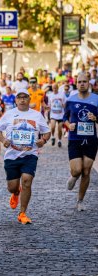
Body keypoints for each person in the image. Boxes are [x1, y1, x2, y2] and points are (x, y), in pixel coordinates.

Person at [0, 88, 50, 224]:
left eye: (25, 97)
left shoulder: (37, 115)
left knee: (26, 180)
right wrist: (3, 140)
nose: (22, 99)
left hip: (30, 154)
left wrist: (43, 141)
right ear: (16, 100)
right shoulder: (9, 114)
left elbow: (47, 131)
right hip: (12, 155)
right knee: (12, 187)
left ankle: (22, 213)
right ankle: (16, 192)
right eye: (19, 97)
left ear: (29, 99)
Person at [63, 73, 98, 211]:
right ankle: (73, 176)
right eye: (79, 82)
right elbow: (64, 117)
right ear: (76, 84)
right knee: (77, 170)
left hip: (91, 139)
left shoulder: (96, 99)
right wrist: (68, 125)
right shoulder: (71, 100)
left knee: (87, 171)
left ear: (89, 83)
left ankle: (80, 201)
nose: (82, 84)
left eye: (84, 81)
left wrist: (95, 118)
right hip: (75, 139)